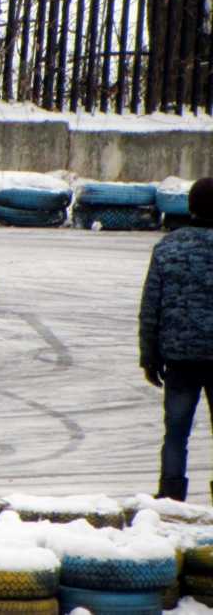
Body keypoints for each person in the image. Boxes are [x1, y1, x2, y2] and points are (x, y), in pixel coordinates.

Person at [139, 176, 213, 503]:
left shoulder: (168, 246)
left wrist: (149, 356)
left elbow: (150, 306)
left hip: (179, 358)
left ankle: (171, 497)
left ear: (190, 207)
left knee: (176, 434)